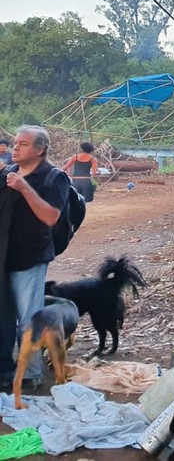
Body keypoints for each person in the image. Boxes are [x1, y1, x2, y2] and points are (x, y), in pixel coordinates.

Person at [0, 126, 67, 391]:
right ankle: (5, 368)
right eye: (15, 143)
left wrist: (24, 187)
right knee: (3, 317)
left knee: (29, 317)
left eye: (23, 144)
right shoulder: (8, 173)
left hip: (30, 257)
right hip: (4, 256)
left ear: (40, 150)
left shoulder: (53, 177)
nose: (15, 148)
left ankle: (30, 373)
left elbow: (51, 216)